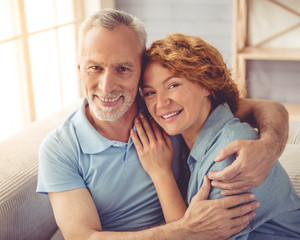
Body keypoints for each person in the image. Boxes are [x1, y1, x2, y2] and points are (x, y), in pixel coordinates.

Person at [36, 9, 289, 240]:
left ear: (139, 69)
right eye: (95, 68)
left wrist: (269, 146)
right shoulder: (60, 148)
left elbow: (266, 108)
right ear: (80, 70)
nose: (106, 86)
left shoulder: (167, 113)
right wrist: (187, 230)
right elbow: (82, 237)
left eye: (123, 68)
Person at [131, 33, 300, 239]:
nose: (161, 103)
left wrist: (160, 173)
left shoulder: (230, 155)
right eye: (150, 93)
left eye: (173, 85)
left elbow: (194, 236)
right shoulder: (189, 134)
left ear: (205, 85)